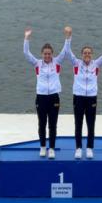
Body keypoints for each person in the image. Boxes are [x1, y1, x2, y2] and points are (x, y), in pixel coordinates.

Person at [66, 30, 102, 159]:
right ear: (81, 55)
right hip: (78, 97)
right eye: (85, 53)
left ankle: (89, 148)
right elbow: (68, 52)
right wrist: (68, 37)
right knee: (78, 123)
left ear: (92, 54)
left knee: (91, 124)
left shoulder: (96, 64)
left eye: (89, 53)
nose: (87, 55)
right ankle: (78, 148)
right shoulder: (76, 64)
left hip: (91, 98)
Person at [24, 27, 71, 159]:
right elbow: (26, 53)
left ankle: (51, 148)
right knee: (42, 123)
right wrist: (27, 38)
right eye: (45, 53)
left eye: (49, 53)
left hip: (54, 98)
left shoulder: (57, 63)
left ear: (52, 54)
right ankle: (43, 146)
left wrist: (68, 37)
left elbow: (65, 52)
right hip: (41, 98)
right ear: (41, 54)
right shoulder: (37, 64)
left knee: (53, 124)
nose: (47, 56)